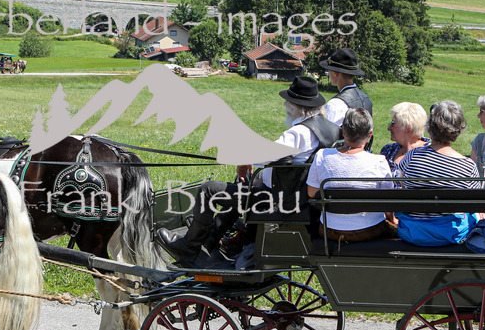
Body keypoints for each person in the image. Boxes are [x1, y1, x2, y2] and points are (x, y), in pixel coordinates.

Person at [159, 76, 338, 267]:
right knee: (240, 186)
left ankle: (190, 245)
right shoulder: (331, 128)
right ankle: (211, 240)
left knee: (208, 190)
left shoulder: (299, 133)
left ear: (294, 105)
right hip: (301, 198)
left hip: (278, 199)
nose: (285, 104)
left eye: (288, 101)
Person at [395, 100, 481, 246]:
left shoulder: (411, 156)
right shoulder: (467, 166)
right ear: (458, 129)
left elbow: (403, 186)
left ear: (430, 126)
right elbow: (474, 204)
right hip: (449, 234)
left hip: (412, 231)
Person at [307, 108, 396, 244]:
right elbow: (388, 202)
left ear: (343, 131)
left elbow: (312, 193)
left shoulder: (322, 156)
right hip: (368, 230)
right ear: (370, 134)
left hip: (328, 230)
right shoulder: (378, 162)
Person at [320, 48, 372, 128]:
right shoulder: (366, 99)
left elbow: (327, 136)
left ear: (336, 73)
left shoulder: (335, 105)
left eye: (329, 70)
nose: (328, 73)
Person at [380, 102, 430, 175]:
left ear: (407, 128)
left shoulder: (428, 152)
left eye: (393, 124)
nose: (389, 128)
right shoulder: (388, 150)